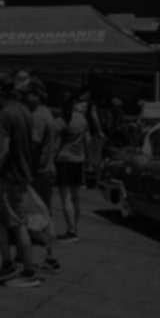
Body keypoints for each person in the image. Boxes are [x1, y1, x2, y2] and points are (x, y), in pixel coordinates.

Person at [0, 72, 42, 288]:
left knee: (17, 224)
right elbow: (29, 143)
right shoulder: (25, 111)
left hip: (10, 176)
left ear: (0, 92)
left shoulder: (6, 114)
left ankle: (28, 272)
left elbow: (4, 150)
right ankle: (7, 264)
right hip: (19, 173)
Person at [17, 73, 62, 273]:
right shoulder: (46, 113)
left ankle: (49, 256)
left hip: (38, 173)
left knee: (38, 213)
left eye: (27, 95)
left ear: (36, 94)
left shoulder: (38, 116)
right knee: (40, 212)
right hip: (46, 171)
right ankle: (26, 252)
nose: (24, 98)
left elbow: (32, 146)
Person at [54, 93, 90, 243]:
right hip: (78, 159)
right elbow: (87, 140)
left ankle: (71, 231)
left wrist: (50, 161)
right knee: (76, 197)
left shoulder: (59, 122)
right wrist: (87, 157)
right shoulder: (82, 119)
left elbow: (56, 146)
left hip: (64, 160)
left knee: (66, 197)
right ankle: (74, 228)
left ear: (61, 104)